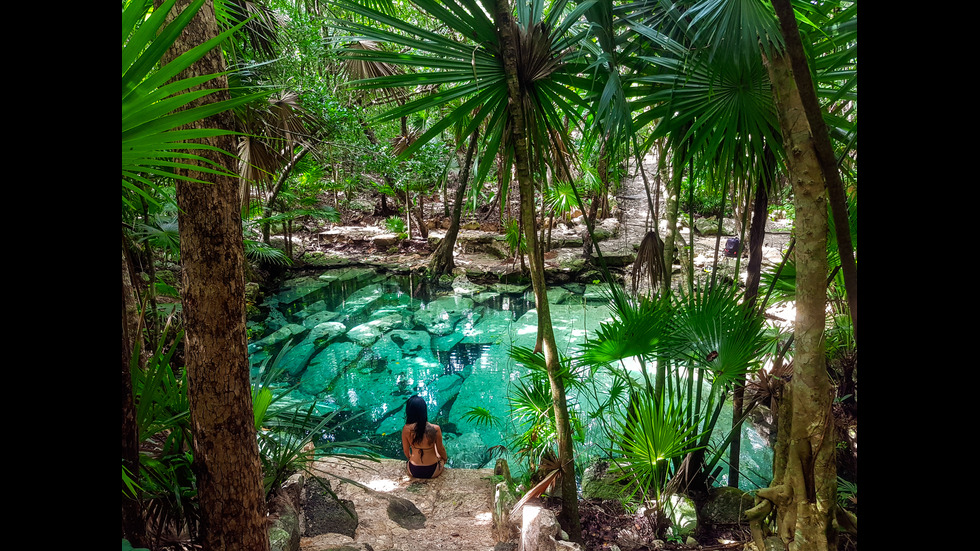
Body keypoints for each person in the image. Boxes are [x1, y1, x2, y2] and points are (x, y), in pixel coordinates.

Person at [401, 395, 448, 479]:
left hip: (413, 469)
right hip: (432, 469)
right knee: (436, 448)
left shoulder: (406, 429)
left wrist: (411, 459)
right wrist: (444, 460)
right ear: (424, 411)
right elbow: (441, 449)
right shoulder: (435, 428)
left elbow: (406, 451)